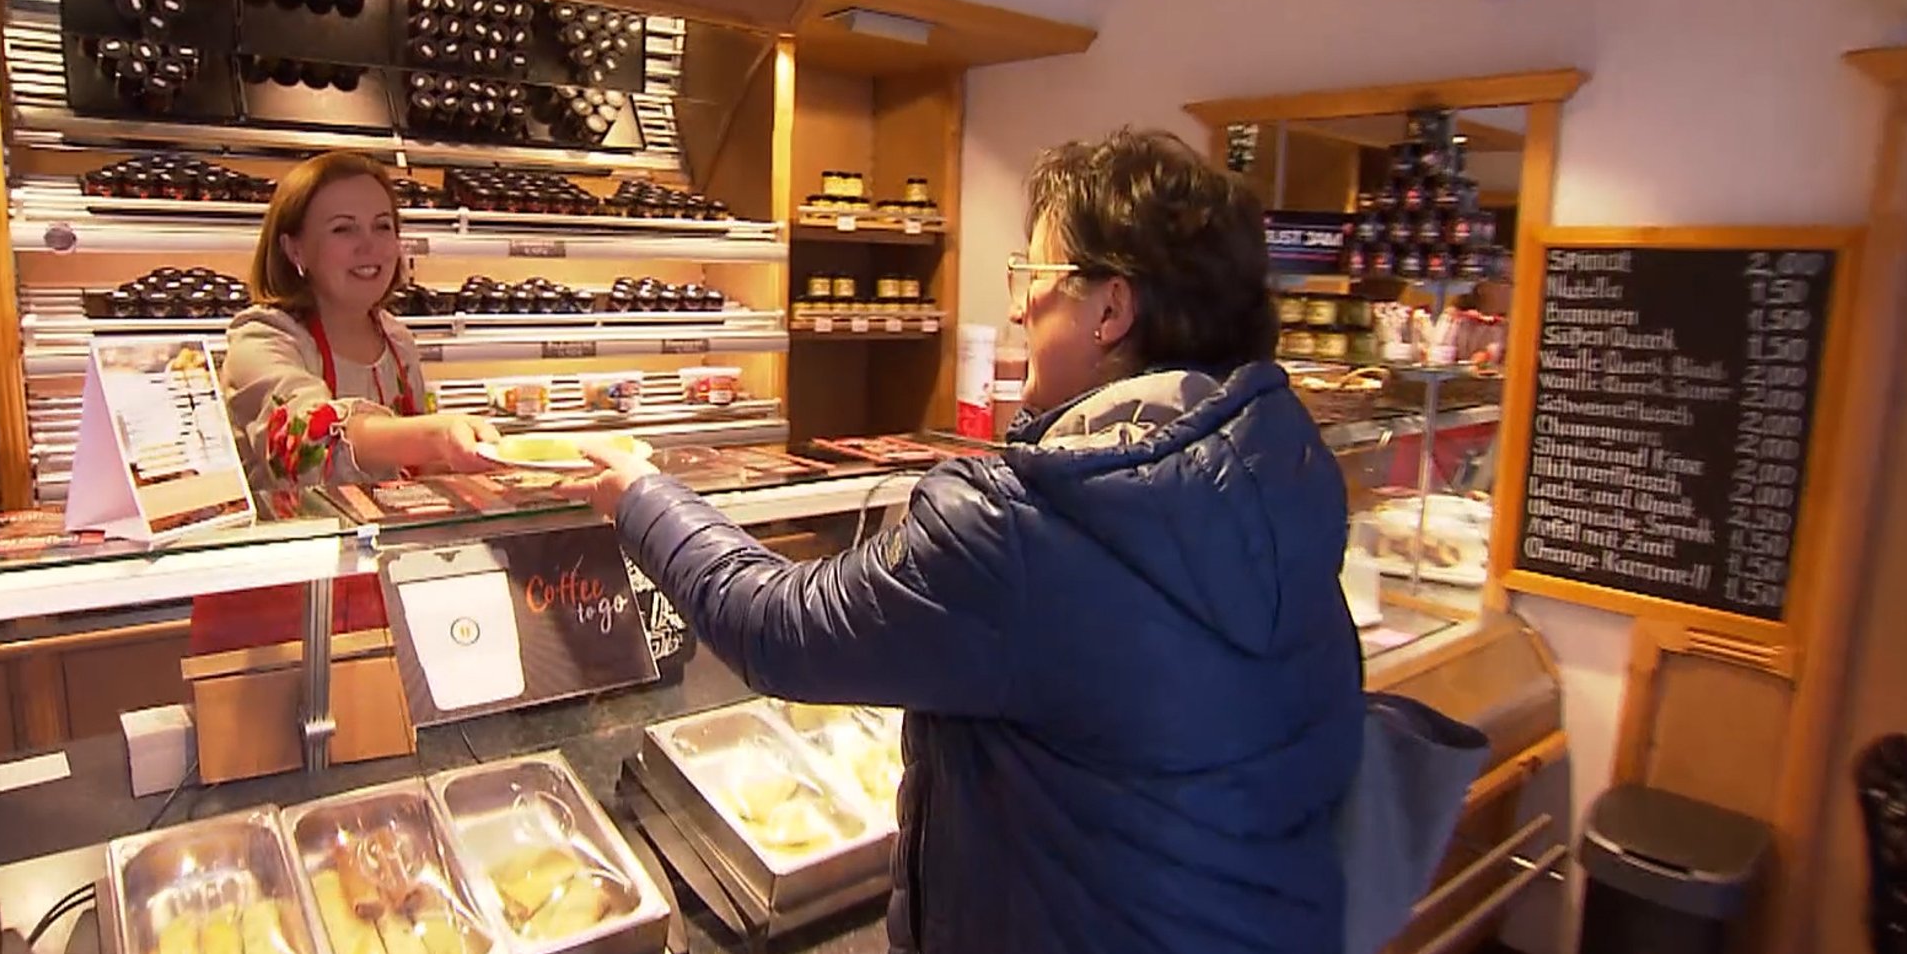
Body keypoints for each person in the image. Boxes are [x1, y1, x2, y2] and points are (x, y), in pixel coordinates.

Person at [564, 129, 1364, 954]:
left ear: (1112, 310)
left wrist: (639, 493)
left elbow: (778, 627)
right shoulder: (1282, 487)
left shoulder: (1033, 525)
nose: (1017, 306)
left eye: (1034, 277)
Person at [198, 150, 501, 653]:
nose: (371, 246)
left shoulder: (398, 342)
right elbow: (300, 435)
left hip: (387, 592)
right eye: (343, 229)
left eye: (383, 226)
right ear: (295, 248)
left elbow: (417, 475)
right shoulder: (262, 337)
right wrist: (432, 435)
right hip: (281, 615)